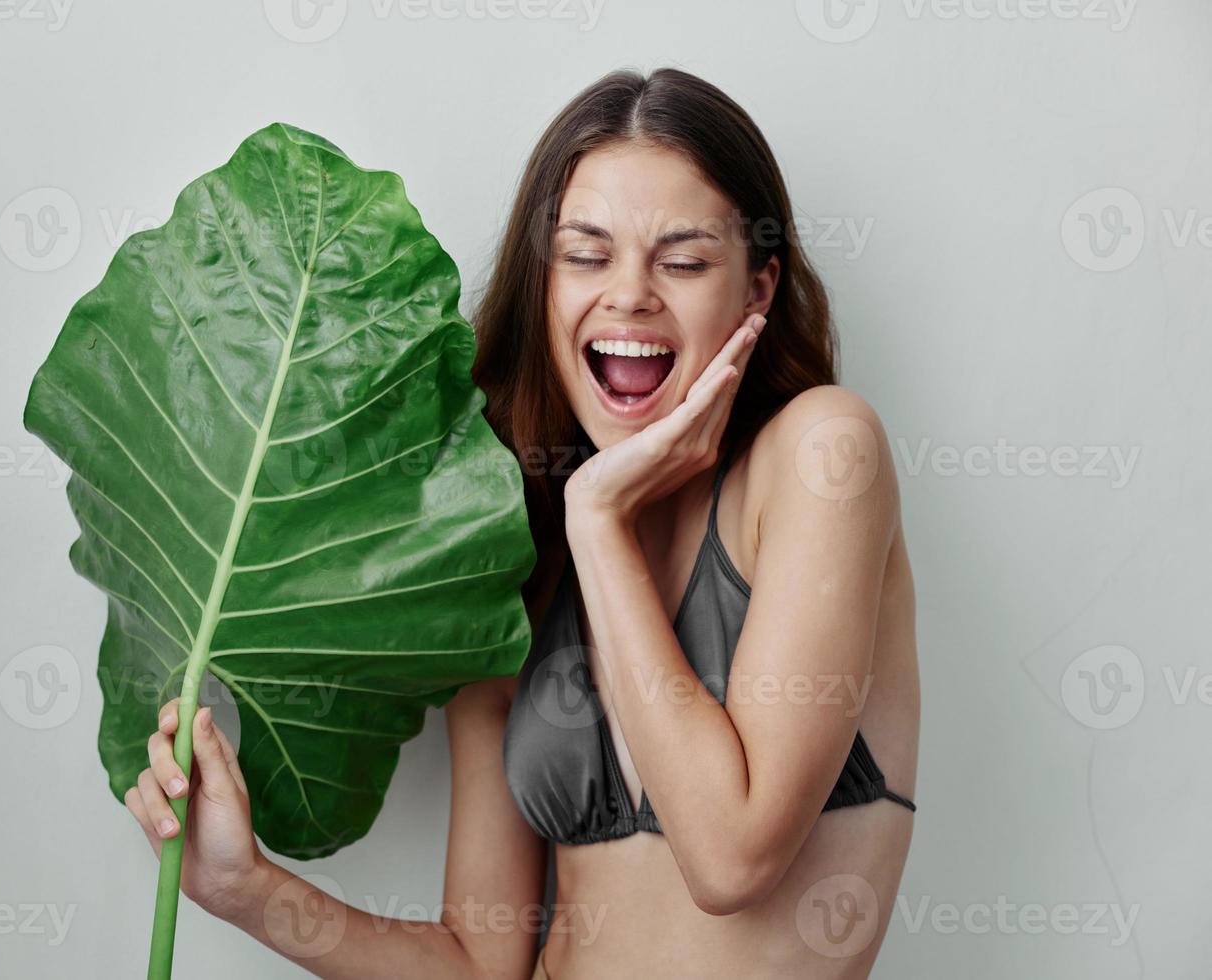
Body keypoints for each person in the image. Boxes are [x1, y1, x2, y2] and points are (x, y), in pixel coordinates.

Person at [125, 66, 920, 979]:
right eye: (585, 255)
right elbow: (479, 960)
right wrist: (246, 890)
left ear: (757, 288)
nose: (628, 294)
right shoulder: (513, 547)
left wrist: (598, 518)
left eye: (685, 260)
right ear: (543, 286)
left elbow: (731, 855)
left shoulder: (821, 455)